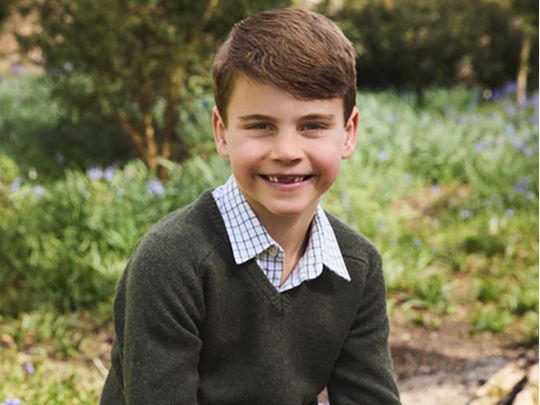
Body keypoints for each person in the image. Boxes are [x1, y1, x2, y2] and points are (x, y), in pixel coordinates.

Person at [101, 8, 401, 405]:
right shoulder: (171, 261)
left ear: (348, 134)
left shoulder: (357, 266)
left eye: (312, 126)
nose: (287, 152)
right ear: (222, 133)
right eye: (261, 126)